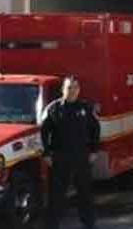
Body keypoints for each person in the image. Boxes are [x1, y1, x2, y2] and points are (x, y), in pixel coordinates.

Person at [41, 76, 101, 229]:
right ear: (63, 90)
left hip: (81, 156)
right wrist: (46, 153)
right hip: (60, 158)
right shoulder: (53, 108)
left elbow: (95, 129)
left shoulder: (85, 108)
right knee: (56, 195)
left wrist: (94, 150)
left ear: (79, 90)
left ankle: (88, 224)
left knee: (85, 193)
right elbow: (44, 131)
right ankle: (52, 225)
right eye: (69, 88)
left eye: (75, 87)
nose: (72, 91)